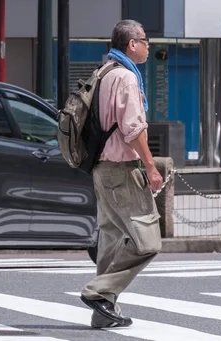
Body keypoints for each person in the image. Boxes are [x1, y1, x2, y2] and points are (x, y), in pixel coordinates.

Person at [78, 19, 163, 328]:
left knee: (112, 239)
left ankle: (103, 313)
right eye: (145, 41)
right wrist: (151, 166)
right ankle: (97, 292)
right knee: (148, 241)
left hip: (101, 168)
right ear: (132, 44)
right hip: (121, 170)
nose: (148, 46)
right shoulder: (126, 77)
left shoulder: (102, 73)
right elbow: (133, 129)